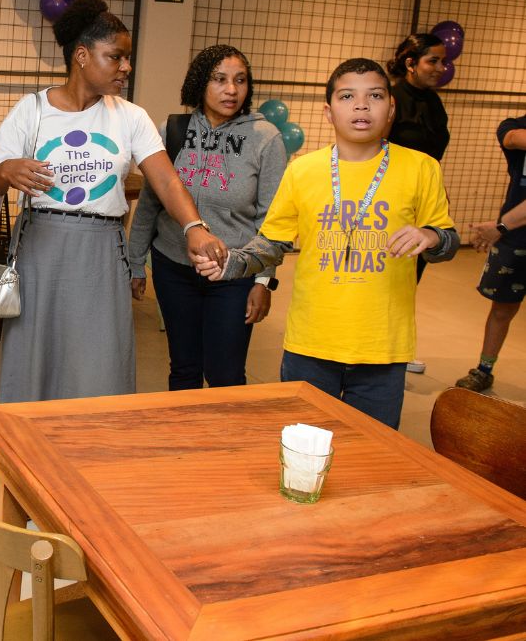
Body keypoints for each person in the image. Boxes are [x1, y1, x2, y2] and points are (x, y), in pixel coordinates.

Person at [0, 0, 227, 403]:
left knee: (100, 363)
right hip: (41, 247)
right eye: (116, 57)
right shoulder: (32, 110)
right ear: (82, 55)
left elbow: (166, 181)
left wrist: (194, 227)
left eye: (126, 58)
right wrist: (7, 171)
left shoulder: (130, 116)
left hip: (101, 251)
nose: (126, 67)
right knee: (34, 358)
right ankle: (27, 458)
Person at [193, 58, 459, 430]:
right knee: (304, 449)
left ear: (391, 108)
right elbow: (271, 243)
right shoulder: (303, 171)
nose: (362, 106)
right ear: (328, 111)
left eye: (375, 96)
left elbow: (448, 241)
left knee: (372, 453)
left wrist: (430, 236)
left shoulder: (421, 168)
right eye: (348, 96)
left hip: (382, 347)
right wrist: (232, 264)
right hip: (311, 345)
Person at [128, 45, 286, 389]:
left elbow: (272, 220)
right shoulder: (173, 129)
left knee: (224, 374)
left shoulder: (266, 139)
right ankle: (183, 440)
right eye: (220, 80)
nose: (231, 90)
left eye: (240, 80)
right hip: (173, 267)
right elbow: (151, 204)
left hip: (235, 273)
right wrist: (135, 263)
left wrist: (263, 282)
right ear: (200, 83)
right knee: (183, 368)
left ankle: (225, 441)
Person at [386, 33, 450, 373]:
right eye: (433, 61)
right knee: (387, 274)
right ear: (411, 64)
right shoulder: (392, 99)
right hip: (393, 201)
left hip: (423, 202)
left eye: (443, 61)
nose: (441, 68)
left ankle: (397, 344)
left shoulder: (435, 103)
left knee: (411, 276)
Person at [454, 114, 526, 392]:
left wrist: (501, 226)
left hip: (507, 226)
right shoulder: (512, 126)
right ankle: (484, 370)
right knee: (503, 307)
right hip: (515, 235)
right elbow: (511, 137)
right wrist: (504, 227)